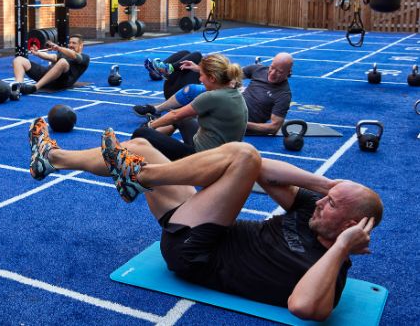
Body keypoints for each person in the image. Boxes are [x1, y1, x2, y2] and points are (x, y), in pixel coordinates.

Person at [27, 120, 383, 321]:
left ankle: (142, 176)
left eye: (331, 205)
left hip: (195, 254)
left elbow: (304, 307)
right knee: (139, 145)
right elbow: (265, 173)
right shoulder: (311, 210)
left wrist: (340, 249)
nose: (321, 205)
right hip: (204, 226)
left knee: (244, 154)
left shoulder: (329, 270)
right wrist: (326, 183)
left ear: (352, 226)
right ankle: (52, 157)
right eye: (325, 199)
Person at [136, 52, 293, 136]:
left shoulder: (283, 94)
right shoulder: (260, 70)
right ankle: (156, 110)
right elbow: (229, 74)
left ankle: (147, 132)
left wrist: (242, 123)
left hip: (232, 115)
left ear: (288, 73)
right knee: (191, 86)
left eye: (279, 72)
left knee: (180, 116)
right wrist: (199, 69)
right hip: (230, 99)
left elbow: (273, 127)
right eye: (272, 67)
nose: (272, 73)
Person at [132, 53, 248, 160]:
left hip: (202, 158)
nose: (199, 79)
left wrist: (149, 126)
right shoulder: (233, 91)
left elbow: (174, 115)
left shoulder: (212, 96)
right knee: (184, 117)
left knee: (140, 133)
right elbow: (178, 116)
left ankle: (144, 153)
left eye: (201, 75)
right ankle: (153, 143)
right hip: (223, 154)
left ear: (212, 78)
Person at [12, 34, 90, 94]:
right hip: (47, 75)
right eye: (70, 43)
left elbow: (74, 55)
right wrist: (37, 53)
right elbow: (51, 57)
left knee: (63, 62)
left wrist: (59, 48)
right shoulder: (64, 53)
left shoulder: (85, 58)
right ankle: (18, 87)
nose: (71, 45)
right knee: (19, 59)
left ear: (81, 45)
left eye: (74, 43)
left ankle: (35, 87)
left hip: (61, 82)